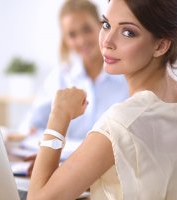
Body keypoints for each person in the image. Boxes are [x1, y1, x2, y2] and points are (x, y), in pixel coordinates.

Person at [27, 0, 177, 199]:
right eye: (106, 25)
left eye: (128, 32)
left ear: (161, 45)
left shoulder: (121, 122)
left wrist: (59, 114)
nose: (107, 42)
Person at [19, 0, 128, 150]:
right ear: (65, 40)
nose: (81, 40)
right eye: (72, 34)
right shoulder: (60, 76)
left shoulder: (126, 78)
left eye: (87, 29)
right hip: (62, 164)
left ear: (101, 26)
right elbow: (30, 127)